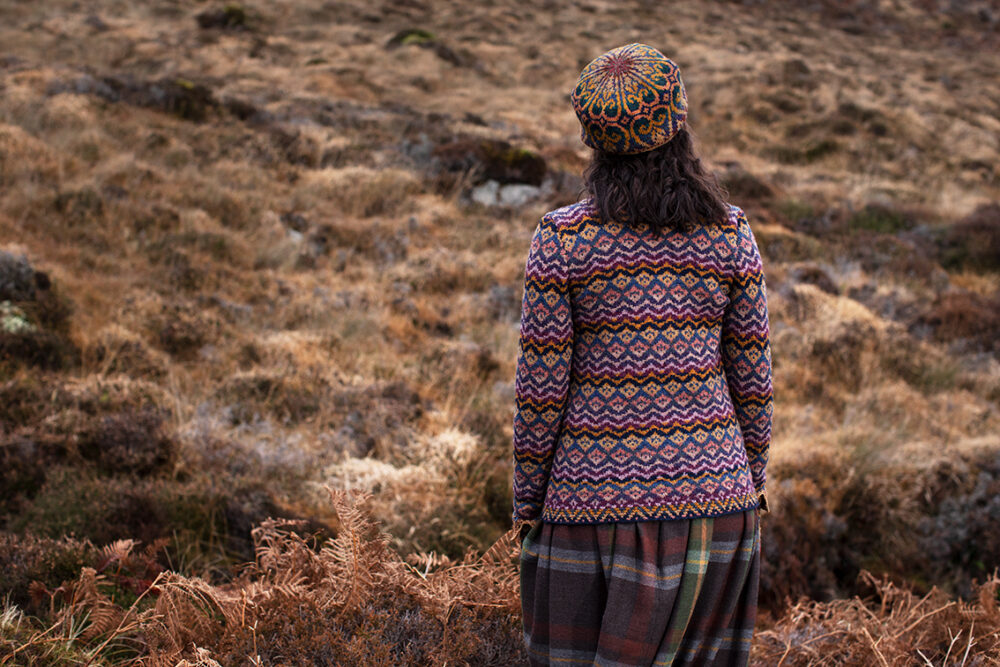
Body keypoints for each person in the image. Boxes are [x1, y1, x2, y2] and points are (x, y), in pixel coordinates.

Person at [511, 43, 773, 666]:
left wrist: (529, 504)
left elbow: (540, 395)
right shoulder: (730, 234)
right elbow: (754, 383)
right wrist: (747, 479)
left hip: (591, 517)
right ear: (677, 123)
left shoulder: (563, 240)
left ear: (593, 139)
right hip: (720, 509)